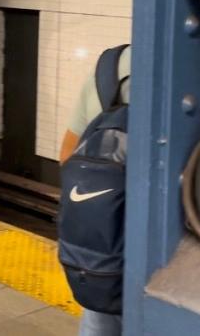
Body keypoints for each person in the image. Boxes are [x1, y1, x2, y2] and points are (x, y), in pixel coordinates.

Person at [59, 46, 131, 336]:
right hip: (168, 259)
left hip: (102, 253)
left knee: (99, 322)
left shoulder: (110, 66)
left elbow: (67, 155)